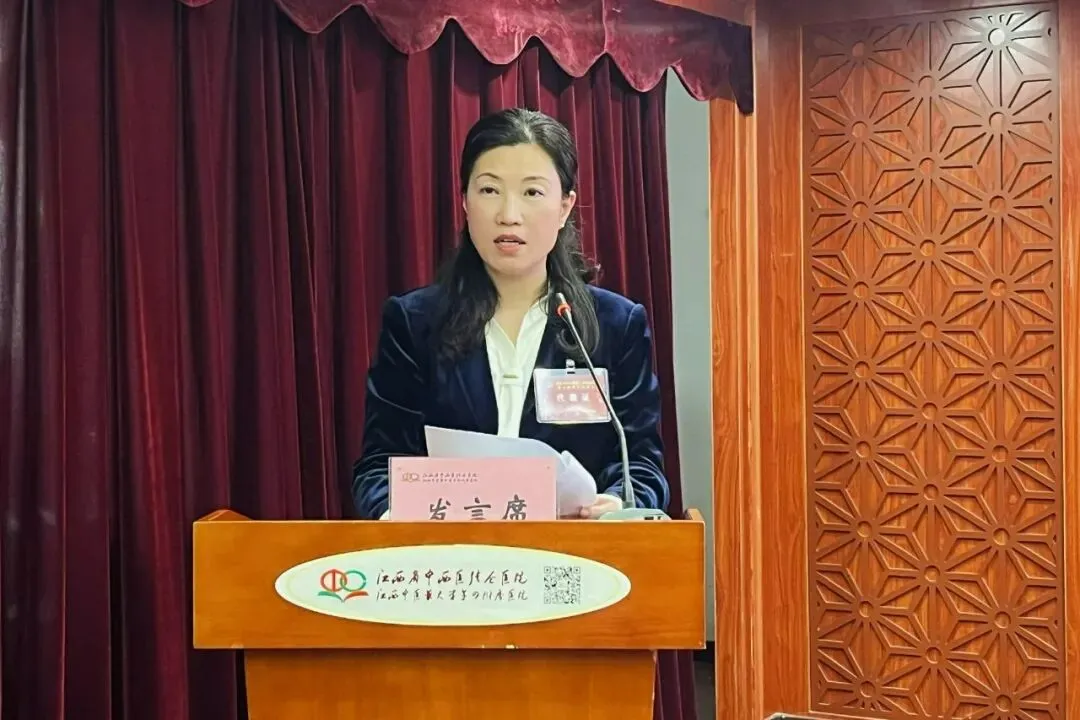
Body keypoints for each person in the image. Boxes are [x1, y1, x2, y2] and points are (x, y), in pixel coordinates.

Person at [352, 107, 669, 520]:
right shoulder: (414, 323)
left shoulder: (615, 325)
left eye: (532, 193)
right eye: (489, 190)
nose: (508, 214)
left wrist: (617, 505)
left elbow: (640, 465)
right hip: (453, 553)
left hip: (572, 551)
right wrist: (395, 515)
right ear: (465, 201)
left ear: (565, 206)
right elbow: (380, 466)